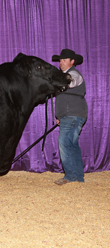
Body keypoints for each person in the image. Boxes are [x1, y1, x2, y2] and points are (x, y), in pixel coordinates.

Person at [52, 49, 88, 185]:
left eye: (64, 60)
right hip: (70, 115)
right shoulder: (65, 75)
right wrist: (60, 116)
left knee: (64, 143)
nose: (61, 62)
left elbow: (69, 82)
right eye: (60, 60)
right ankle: (78, 176)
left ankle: (70, 176)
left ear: (72, 61)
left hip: (72, 114)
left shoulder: (73, 74)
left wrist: (55, 82)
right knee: (72, 145)